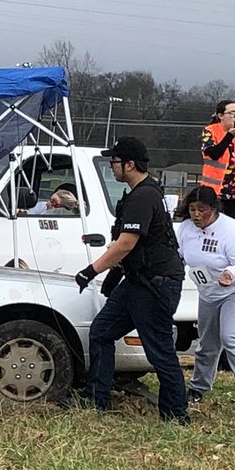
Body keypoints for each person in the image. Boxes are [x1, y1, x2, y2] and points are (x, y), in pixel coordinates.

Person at [74, 137, 189, 424]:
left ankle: (176, 414)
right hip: (139, 280)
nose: (111, 166)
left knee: (159, 351)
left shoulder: (144, 196)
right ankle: (95, 399)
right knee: (101, 331)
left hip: (156, 283)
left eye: (114, 161)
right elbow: (131, 248)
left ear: (130, 164)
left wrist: (91, 271)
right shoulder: (139, 194)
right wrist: (115, 276)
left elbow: (126, 243)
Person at [175, 186, 235, 415]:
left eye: (202, 210)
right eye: (192, 209)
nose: (196, 215)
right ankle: (198, 388)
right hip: (210, 292)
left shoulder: (231, 231)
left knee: (233, 336)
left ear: (214, 209)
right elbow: (178, 254)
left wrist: (232, 273)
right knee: (207, 342)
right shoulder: (186, 229)